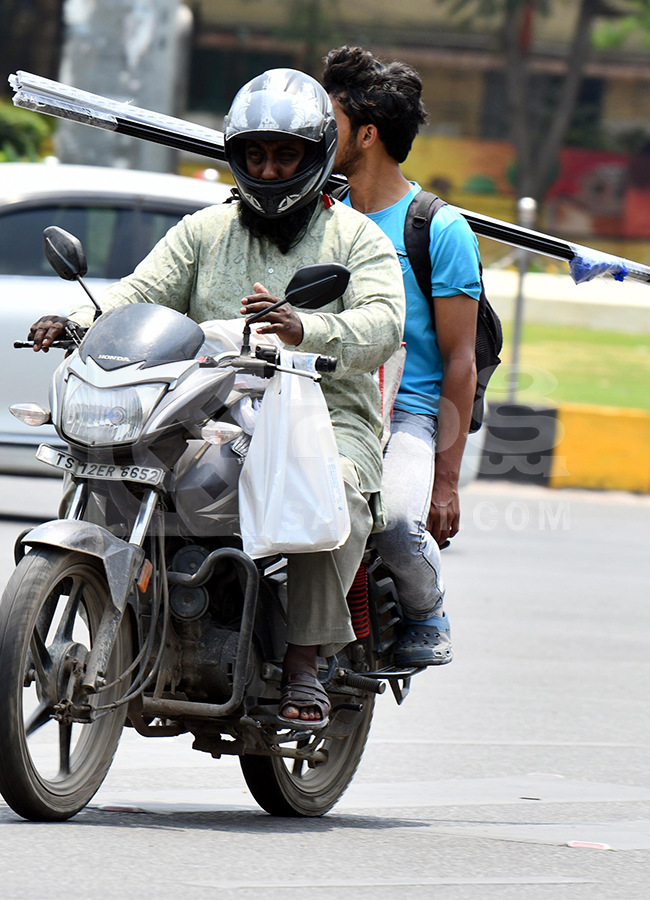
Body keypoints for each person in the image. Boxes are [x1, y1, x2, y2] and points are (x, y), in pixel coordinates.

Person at [29, 68, 405, 725]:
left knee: (330, 487)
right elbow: (139, 291)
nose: (268, 169)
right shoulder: (204, 231)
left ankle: (304, 664)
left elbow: (383, 324)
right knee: (111, 462)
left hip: (323, 414)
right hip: (205, 405)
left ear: (317, 156)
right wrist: (78, 320)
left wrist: (303, 327)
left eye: (285, 154)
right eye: (255, 154)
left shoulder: (356, 238)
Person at [323, 46, 481, 667]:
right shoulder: (318, 214)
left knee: (392, 524)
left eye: (330, 121)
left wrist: (445, 483)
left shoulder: (439, 230)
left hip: (404, 417)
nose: (316, 132)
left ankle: (426, 609)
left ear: (366, 135)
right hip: (320, 402)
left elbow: (460, 361)